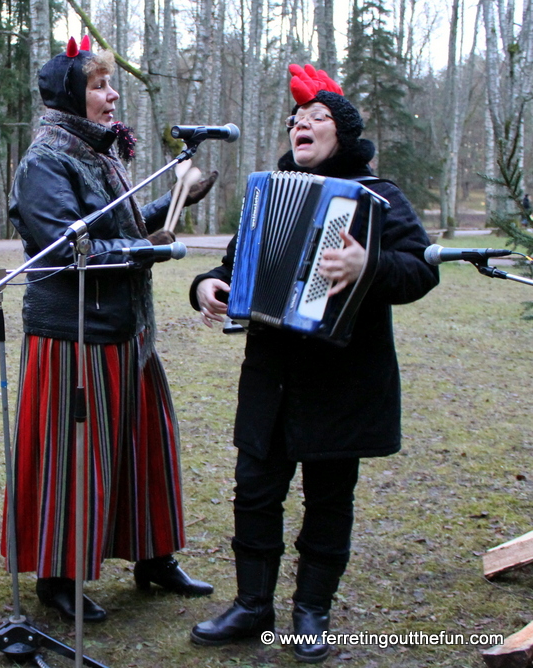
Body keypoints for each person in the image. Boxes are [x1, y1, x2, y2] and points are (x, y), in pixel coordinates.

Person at [187, 64, 439, 663]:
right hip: (272, 375)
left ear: (342, 134)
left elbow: (422, 269)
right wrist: (205, 286)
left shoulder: (380, 196)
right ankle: (253, 605)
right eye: (297, 120)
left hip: (343, 379)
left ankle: (311, 614)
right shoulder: (270, 190)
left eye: (317, 118)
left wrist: (367, 267)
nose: (302, 125)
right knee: (254, 491)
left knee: (329, 498)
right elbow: (231, 266)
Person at [5, 37, 218, 623]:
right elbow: (71, 248)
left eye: (109, 83)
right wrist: (152, 249)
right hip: (73, 335)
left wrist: (172, 202)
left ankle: (153, 557)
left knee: (145, 445)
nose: (112, 92)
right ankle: (59, 575)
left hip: (128, 330)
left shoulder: (97, 153)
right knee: (73, 455)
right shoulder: (47, 159)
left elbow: (112, 225)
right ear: (74, 96)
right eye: (99, 84)